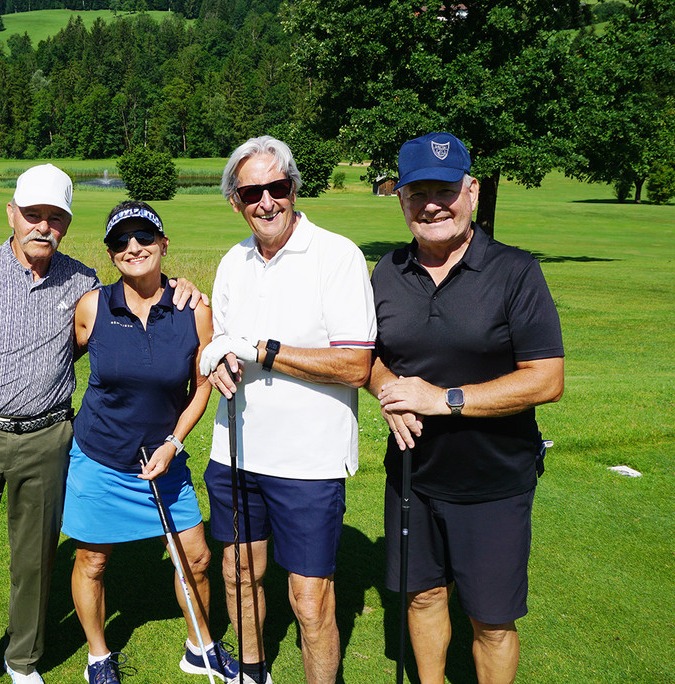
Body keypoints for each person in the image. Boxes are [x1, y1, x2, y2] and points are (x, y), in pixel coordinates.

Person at [0, 165, 203, 684]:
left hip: (47, 438)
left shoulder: (83, 282)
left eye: (54, 218)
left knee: (34, 565)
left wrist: (181, 287)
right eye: (32, 214)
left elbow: (132, 303)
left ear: (66, 224)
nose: (43, 226)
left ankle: (22, 662)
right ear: (11, 214)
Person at [368, 132, 564, 684]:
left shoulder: (515, 271)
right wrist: (389, 390)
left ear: (472, 191)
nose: (432, 205)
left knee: (492, 621)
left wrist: (442, 400)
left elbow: (547, 379)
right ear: (402, 200)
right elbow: (368, 358)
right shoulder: (387, 271)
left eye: (445, 190)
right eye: (417, 193)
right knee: (423, 596)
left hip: (493, 481)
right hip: (412, 474)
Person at [198, 136, 377, 684]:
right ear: (235, 201)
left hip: (309, 462)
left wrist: (263, 351)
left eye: (276, 187)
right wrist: (216, 358)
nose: (266, 202)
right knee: (237, 574)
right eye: (251, 193)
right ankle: (252, 672)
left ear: (293, 189)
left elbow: (355, 365)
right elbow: (221, 340)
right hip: (236, 452)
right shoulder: (233, 262)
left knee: (309, 599)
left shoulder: (337, 255)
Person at [63, 200, 238, 684]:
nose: (133, 247)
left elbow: (202, 384)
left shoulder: (193, 308)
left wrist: (174, 443)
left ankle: (200, 648)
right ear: (110, 253)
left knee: (196, 558)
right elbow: (57, 362)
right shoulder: (93, 306)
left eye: (144, 237)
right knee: (92, 561)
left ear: (163, 244)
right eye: (121, 240)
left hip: (164, 460)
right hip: (99, 457)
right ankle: (98, 656)